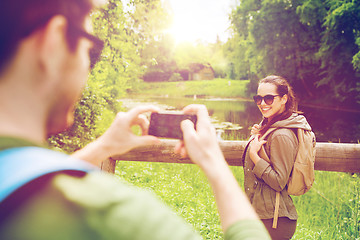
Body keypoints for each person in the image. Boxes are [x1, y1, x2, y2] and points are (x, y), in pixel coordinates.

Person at [0, 0, 271, 239]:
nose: (87, 64)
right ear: (53, 43)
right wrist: (214, 162)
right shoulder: (116, 219)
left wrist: (104, 146)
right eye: (89, 49)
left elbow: (20, 180)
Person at [243, 75, 313, 239]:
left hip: (274, 222)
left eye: (268, 98)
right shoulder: (270, 127)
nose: (262, 103)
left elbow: (279, 181)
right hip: (262, 216)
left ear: (283, 99)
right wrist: (257, 135)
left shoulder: (282, 135)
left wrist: (255, 157)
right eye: (258, 98)